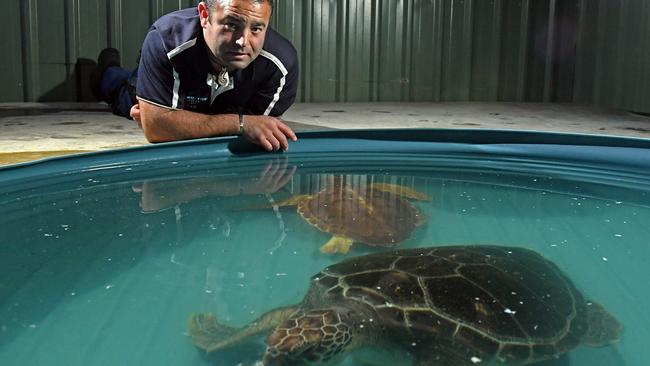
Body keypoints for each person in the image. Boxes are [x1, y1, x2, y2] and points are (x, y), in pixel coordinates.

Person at [91, 0, 298, 152]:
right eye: (231, 25)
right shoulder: (166, 38)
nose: (243, 42)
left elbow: (259, 130)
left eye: (256, 28)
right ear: (204, 16)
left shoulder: (280, 64)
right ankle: (107, 68)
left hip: (188, 98)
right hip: (165, 80)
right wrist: (241, 124)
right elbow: (157, 130)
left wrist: (171, 120)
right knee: (123, 91)